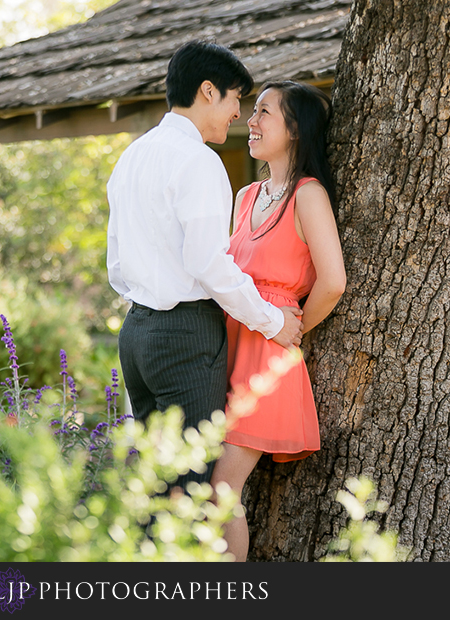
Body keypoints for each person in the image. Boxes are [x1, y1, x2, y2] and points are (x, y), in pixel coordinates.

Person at [106, 41, 304, 494]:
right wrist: (273, 323)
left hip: (136, 333)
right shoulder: (198, 160)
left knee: (155, 483)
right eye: (237, 97)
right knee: (190, 487)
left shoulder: (132, 156)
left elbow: (115, 260)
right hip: (185, 338)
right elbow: (207, 262)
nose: (240, 112)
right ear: (209, 91)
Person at [209, 80, 347, 560]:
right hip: (225, 347)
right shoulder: (245, 195)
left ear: (294, 128)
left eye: (264, 112)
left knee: (221, 487)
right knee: (200, 483)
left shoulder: (308, 195)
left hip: (266, 358)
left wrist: (292, 330)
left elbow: (333, 281)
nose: (251, 120)